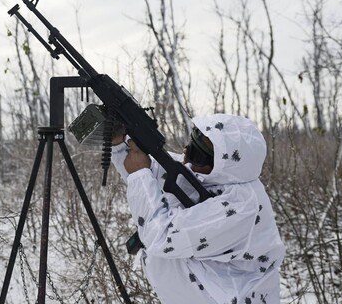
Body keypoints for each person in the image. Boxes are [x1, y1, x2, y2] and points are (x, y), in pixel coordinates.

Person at [111, 114, 285, 304]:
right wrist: (119, 144)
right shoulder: (213, 177)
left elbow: (161, 236)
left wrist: (139, 175)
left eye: (197, 153)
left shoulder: (241, 207)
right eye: (192, 141)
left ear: (223, 164)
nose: (186, 152)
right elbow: (151, 171)